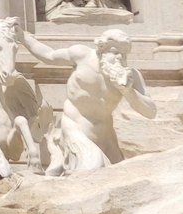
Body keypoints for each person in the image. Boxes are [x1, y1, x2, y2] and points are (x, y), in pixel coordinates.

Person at [16, 24, 156, 173]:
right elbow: (49, 55)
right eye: (115, 52)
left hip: (106, 135)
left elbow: (150, 112)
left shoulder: (131, 76)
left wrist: (128, 91)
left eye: (124, 53)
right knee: (93, 167)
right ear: (101, 50)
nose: (120, 57)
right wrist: (23, 37)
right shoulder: (82, 55)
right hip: (75, 127)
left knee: (119, 175)